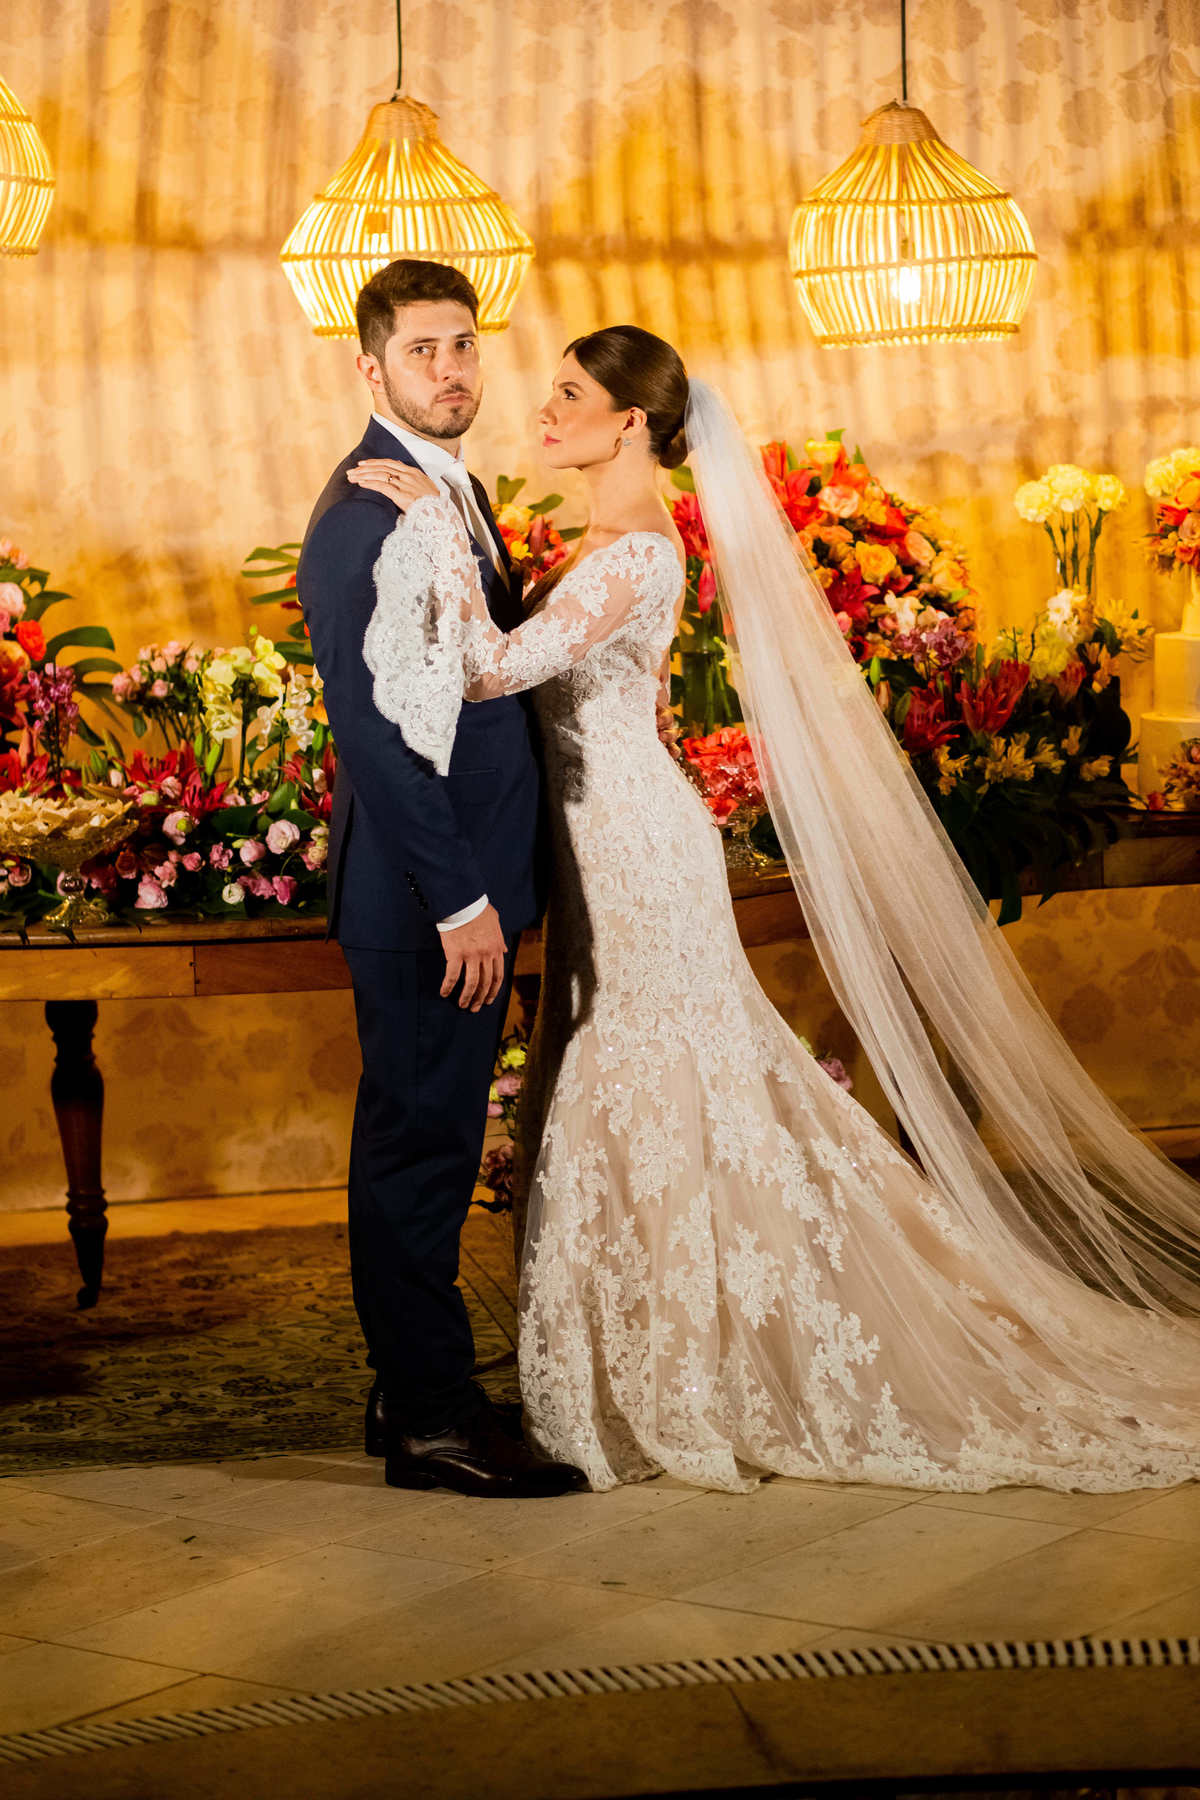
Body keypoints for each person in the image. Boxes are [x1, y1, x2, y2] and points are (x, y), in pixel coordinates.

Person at [350, 324, 1200, 1496]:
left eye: (566, 395)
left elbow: (492, 668)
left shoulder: (637, 556)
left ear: (630, 423)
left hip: (640, 845)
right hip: (602, 841)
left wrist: (435, 523)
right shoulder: (601, 535)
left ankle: (696, 1364)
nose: (539, 412)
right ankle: (661, 1345)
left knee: (657, 1074)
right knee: (643, 1076)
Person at [297, 258, 585, 1499]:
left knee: (430, 1138)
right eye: (423, 351)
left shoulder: (439, 494)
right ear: (370, 369)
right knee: (420, 1151)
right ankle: (431, 1424)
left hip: (463, 887)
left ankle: (406, 1386)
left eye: (464, 345)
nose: (452, 369)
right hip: (430, 902)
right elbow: (377, 731)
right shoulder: (367, 516)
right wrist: (464, 901)